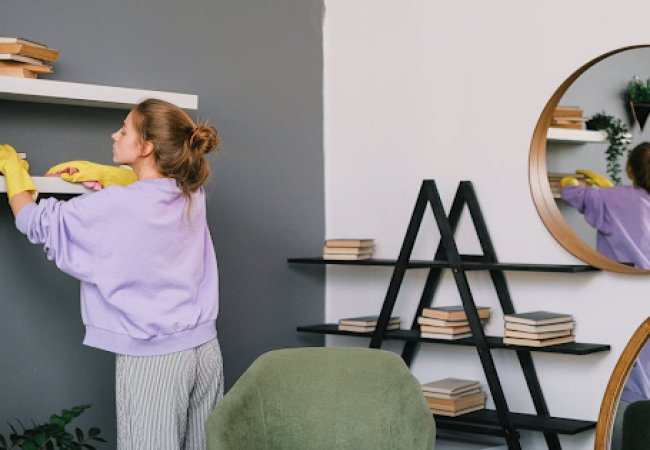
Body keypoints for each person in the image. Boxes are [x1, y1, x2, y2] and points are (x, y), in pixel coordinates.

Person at [0, 98, 223, 450]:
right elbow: (153, 188)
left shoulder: (114, 206)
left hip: (154, 358)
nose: (114, 135)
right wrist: (110, 173)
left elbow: (35, 220)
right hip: (205, 351)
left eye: (124, 130)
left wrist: (13, 170)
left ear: (146, 147)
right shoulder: (192, 193)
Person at [560, 141, 650, 269]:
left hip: (615, 277)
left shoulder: (610, 198)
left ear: (629, 170)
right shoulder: (611, 197)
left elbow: (570, 193)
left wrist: (571, 182)